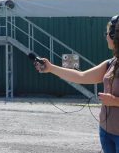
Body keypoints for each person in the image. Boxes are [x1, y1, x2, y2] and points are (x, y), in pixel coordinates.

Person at [34, 15, 119, 153]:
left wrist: (114, 101)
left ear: (115, 35)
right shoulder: (111, 63)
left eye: (107, 33)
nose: (106, 37)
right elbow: (81, 76)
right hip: (106, 131)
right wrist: (51, 68)